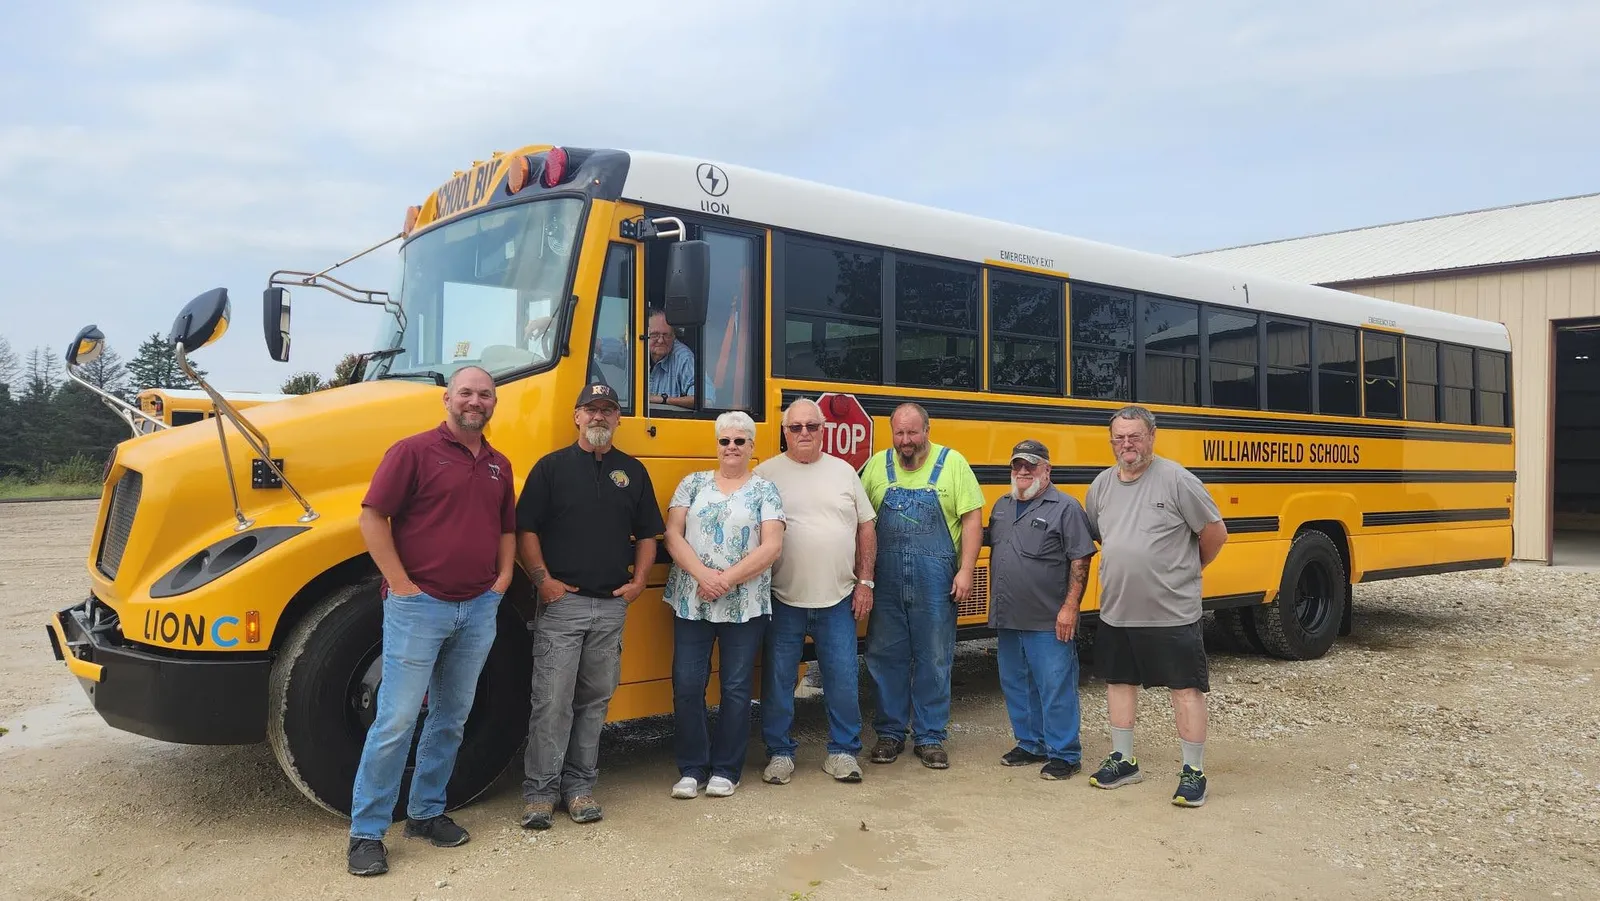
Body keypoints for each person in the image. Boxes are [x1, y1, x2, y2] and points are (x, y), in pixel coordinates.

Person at [345, 365, 517, 878]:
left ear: (493, 404)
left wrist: (503, 578)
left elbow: (507, 527)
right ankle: (367, 831)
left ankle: (425, 813)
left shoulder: (499, 464)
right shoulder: (412, 452)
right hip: (418, 607)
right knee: (396, 720)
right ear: (447, 398)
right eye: (466, 392)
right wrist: (401, 584)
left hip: (478, 607)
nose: (475, 401)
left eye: (485, 395)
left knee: (450, 718)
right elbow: (372, 517)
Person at [514, 381, 665, 829]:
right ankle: (540, 793)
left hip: (611, 608)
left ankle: (579, 788)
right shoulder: (551, 468)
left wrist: (638, 582)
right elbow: (526, 530)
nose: (599, 417)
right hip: (564, 607)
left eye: (608, 410)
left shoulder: (633, 472)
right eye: (591, 409)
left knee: (595, 703)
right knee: (551, 702)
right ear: (576, 417)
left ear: (618, 419)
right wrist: (543, 581)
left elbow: (648, 535)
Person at [1083, 405, 1228, 808]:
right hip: (1117, 609)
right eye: (1119, 438)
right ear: (1112, 441)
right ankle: (1124, 760)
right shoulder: (1101, 486)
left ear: (1151, 436)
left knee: (1185, 689)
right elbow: (1101, 534)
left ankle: (1193, 771)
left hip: (1172, 611)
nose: (1126, 444)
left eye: (1135, 436)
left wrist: (1188, 569)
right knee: (1118, 684)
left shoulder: (1177, 480)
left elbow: (1215, 533)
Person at [662, 411, 785, 798]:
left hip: (743, 603)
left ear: (752, 446)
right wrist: (703, 576)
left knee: (735, 687)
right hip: (692, 600)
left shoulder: (766, 490)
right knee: (687, 683)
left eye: (739, 441)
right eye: (724, 441)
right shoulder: (692, 484)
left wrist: (724, 580)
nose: (731, 447)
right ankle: (692, 768)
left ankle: (727, 769)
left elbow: (772, 546)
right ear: (716, 445)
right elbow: (672, 535)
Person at [755, 398, 877, 785]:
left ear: (823, 430)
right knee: (778, 681)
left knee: (842, 679)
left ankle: (842, 752)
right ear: (784, 432)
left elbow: (866, 528)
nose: (804, 433)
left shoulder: (844, 472)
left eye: (811, 426)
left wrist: (865, 581)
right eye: (796, 428)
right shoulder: (764, 474)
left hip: (839, 598)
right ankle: (779, 753)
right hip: (782, 598)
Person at [857, 402, 985, 769]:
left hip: (937, 580)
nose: (906, 440)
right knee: (885, 656)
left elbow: (972, 519)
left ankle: (930, 737)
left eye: (913, 432)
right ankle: (890, 733)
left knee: (934, 656)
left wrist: (966, 570)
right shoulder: (878, 467)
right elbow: (863, 524)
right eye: (899, 433)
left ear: (927, 430)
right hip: (887, 580)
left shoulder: (953, 463)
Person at [985, 439, 1096, 781]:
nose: (1022, 472)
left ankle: (1065, 753)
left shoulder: (1065, 507)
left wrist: (1070, 608)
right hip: (1008, 616)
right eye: (1017, 465)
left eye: (1030, 466)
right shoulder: (1001, 506)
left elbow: (1080, 558)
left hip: (1049, 619)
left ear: (1047, 470)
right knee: (1016, 683)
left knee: (1055, 686)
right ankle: (1030, 743)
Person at [646, 309, 697, 410]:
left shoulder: (683, 357)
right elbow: (605, 349)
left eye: (666, 335)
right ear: (642, 335)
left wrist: (664, 400)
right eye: (654, 335)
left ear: (674, 336)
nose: (661, 340)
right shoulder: (633, 350)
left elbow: (706, 400)